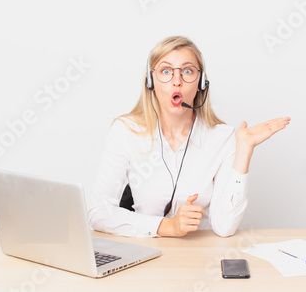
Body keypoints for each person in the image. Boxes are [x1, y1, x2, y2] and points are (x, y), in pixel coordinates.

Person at [88, 36, 290, 238]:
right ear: (151, 81)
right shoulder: (126, 131)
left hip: (199, 258)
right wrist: (167, 226)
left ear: (201, 83)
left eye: (187, 71)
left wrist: (244, 151)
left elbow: (224, 227)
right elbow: (97, 212)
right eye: (166, 71)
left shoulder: (223, 138)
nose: (177, 81)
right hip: (144, 253)